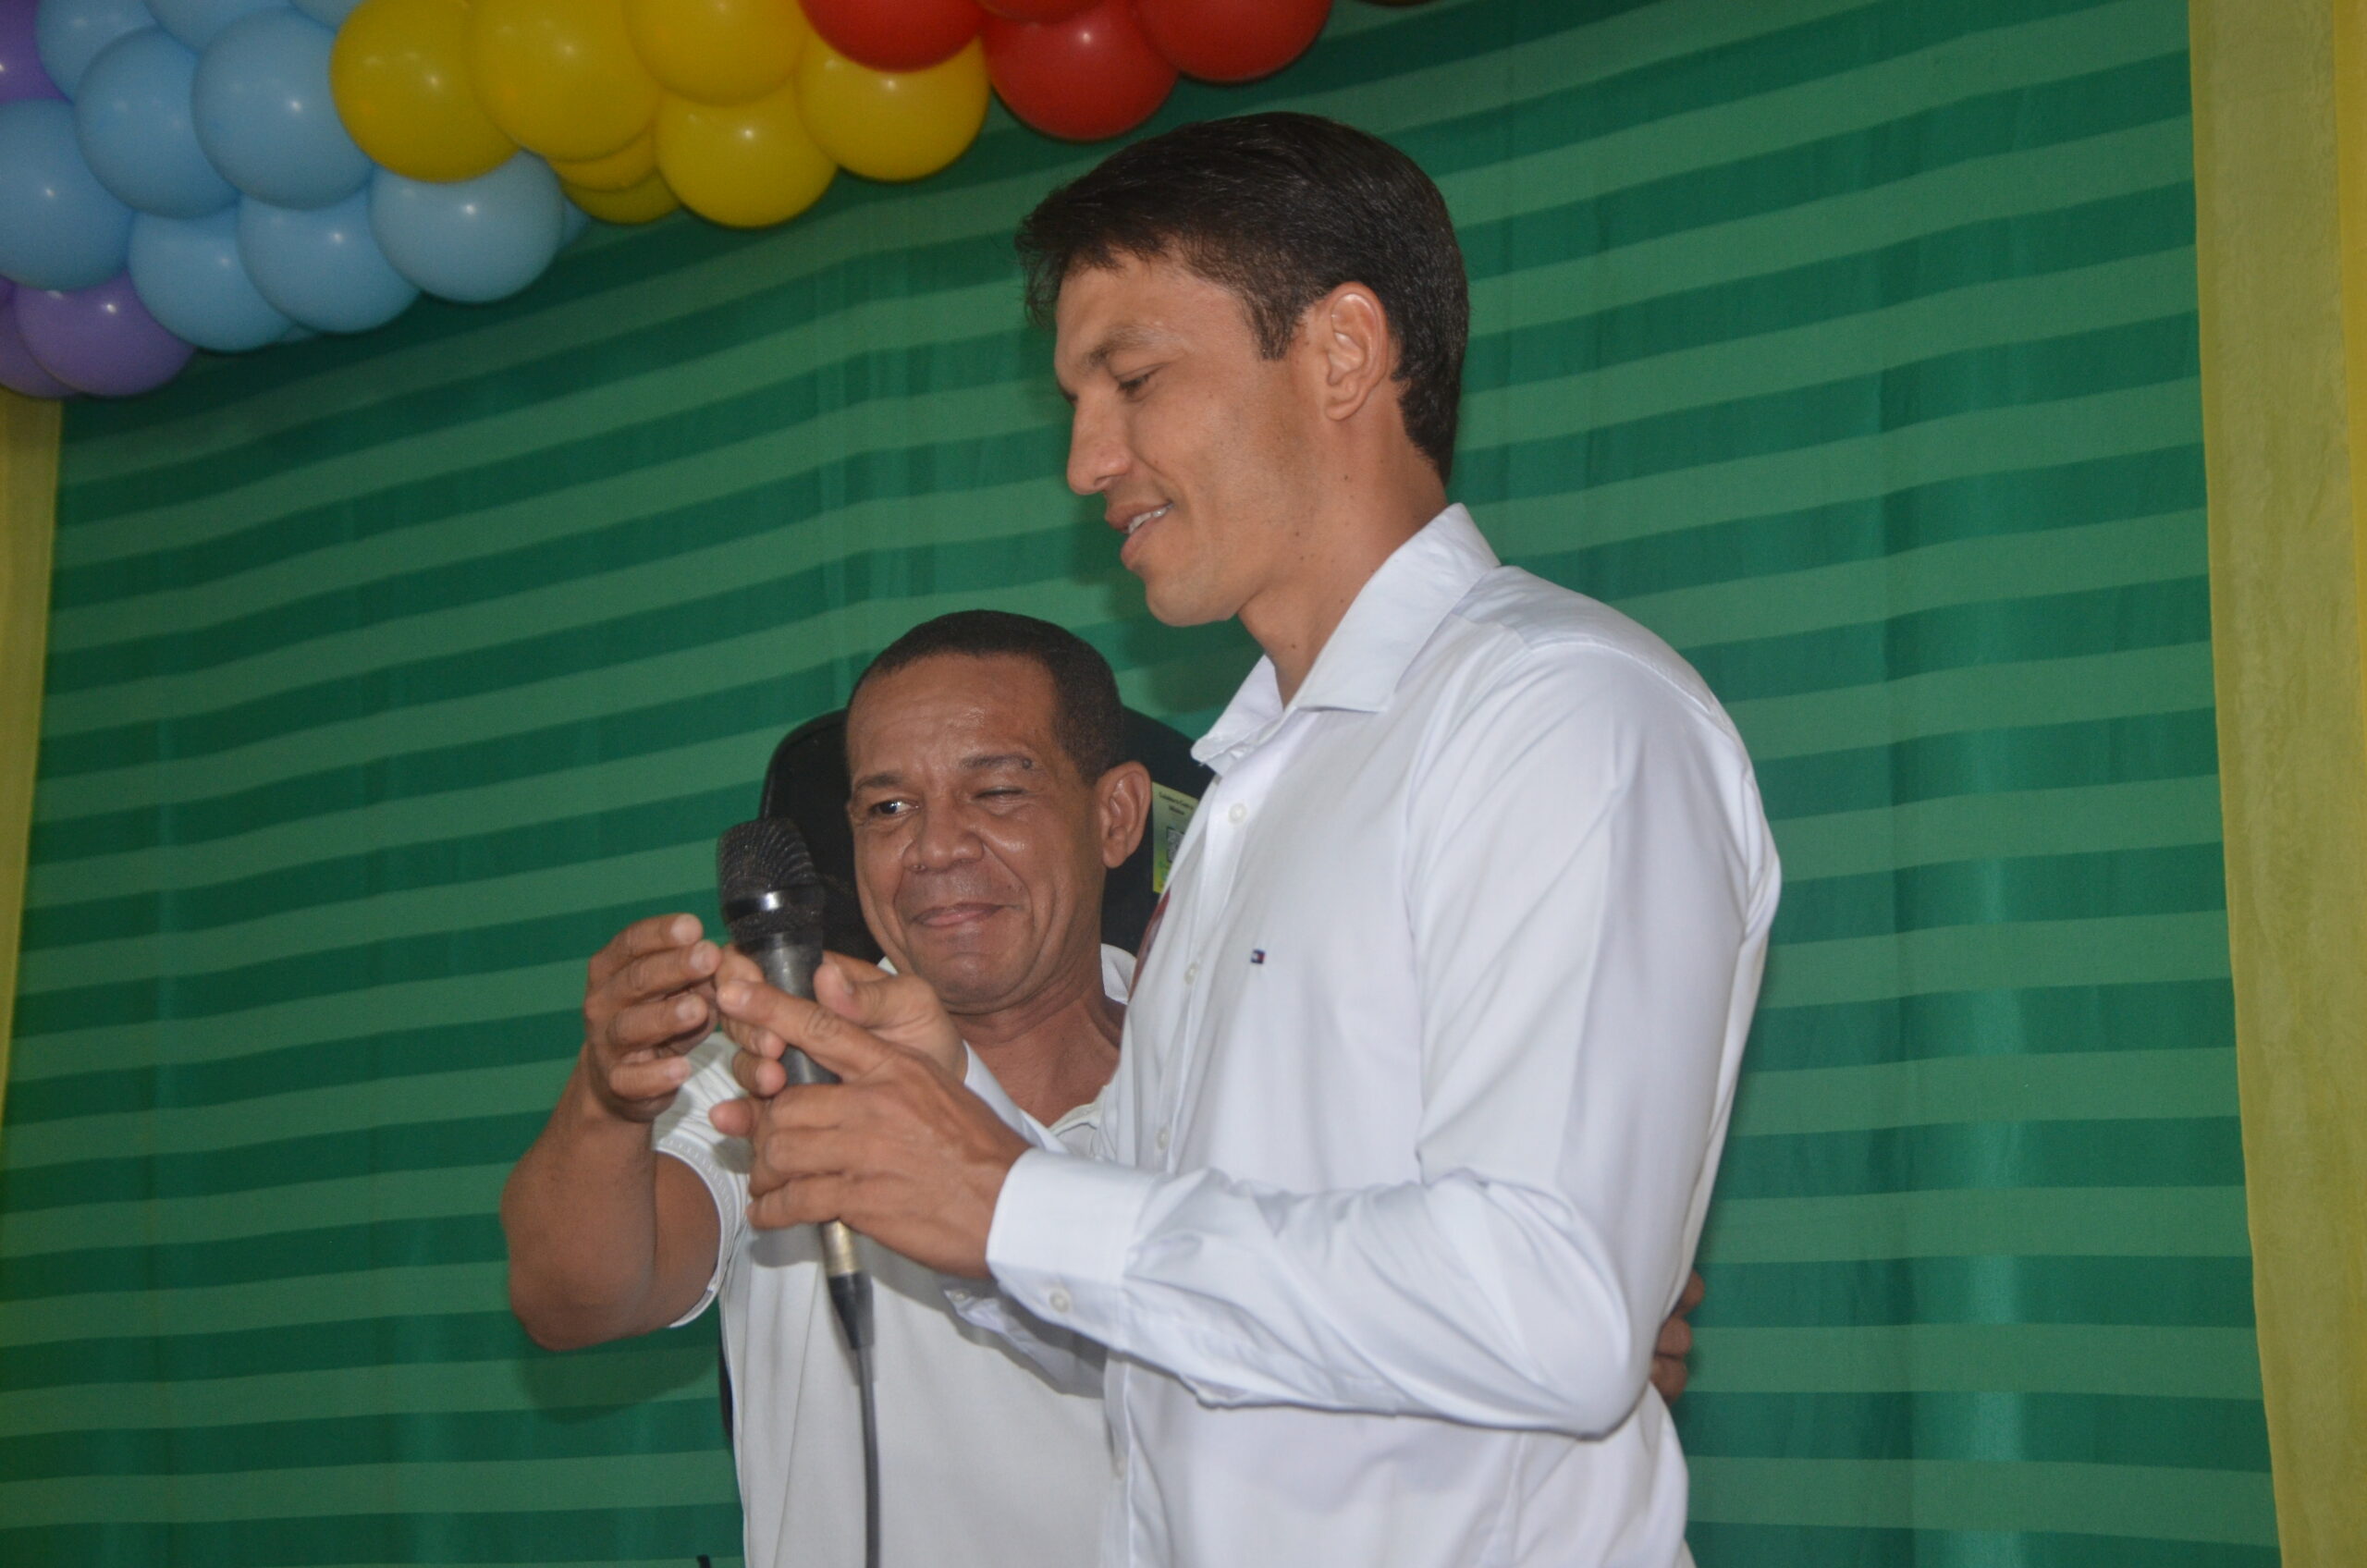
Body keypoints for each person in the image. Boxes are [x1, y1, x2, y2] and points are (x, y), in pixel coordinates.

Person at [713, 113, 1777, 1568]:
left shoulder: (1559, 713)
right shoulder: (1246, 795)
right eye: (1078, 402)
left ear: (1342, 352)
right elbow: (1156, 1327)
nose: (1088, 460)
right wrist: (948, 1124)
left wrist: (1008, 1198)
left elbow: (1555, 1309)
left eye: (1135, 380)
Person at [501, 607, 1705, 1568]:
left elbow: (1438, 1306)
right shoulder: (787, 1057)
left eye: (997, 791)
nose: (935, 848)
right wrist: (609, 1104)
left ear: (1117, 814)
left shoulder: (1258, 1056)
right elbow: (572, 1295)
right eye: (888, 808)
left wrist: (1531, 1366)